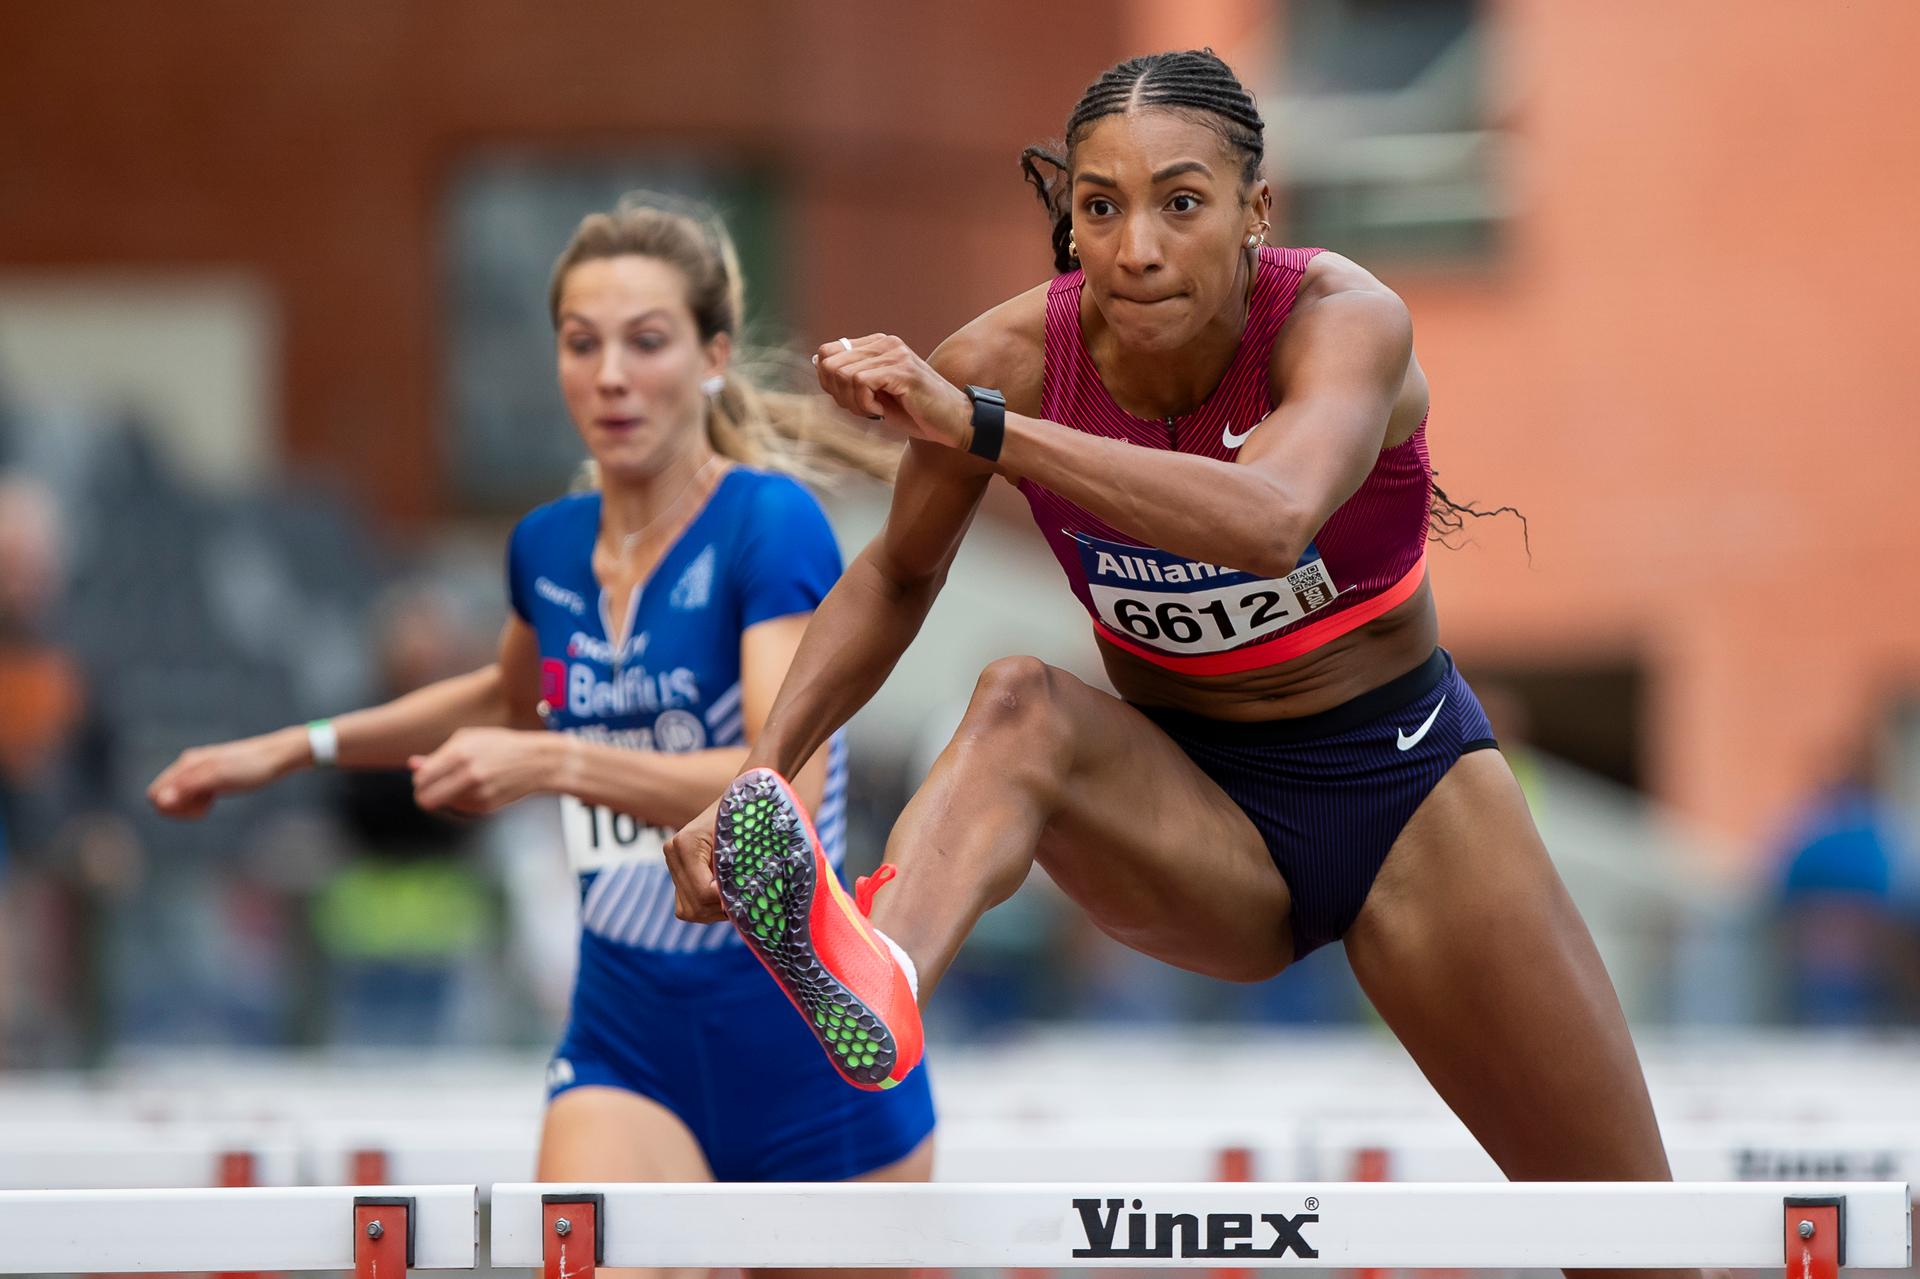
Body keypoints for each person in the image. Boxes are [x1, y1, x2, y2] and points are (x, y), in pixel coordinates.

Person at [664, 49, 1687, 1278]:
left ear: (1258, 211)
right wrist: (755, 776)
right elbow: (895, 576)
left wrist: (987, 432)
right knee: (1017, 704)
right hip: (1192, 811)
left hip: (1408, 796)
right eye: (1100, 208)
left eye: (1180, 203)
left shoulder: (1341, 323)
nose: (1136, 247)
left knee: (1639, 1248)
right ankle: (877, 966)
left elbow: (1267, 520)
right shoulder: (1006, 359)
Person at [149, 194, 934, 1278]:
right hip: (629, 1040)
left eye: (645, 341)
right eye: (582, 343)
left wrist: (558, 761)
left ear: (711, 357)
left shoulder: (769, 523)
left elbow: (775, 774)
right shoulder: (548, 548)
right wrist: (290, 746)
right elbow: (502, 700)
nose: (610, 373)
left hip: (805, 1051)